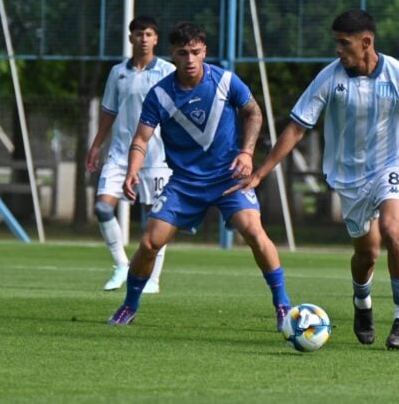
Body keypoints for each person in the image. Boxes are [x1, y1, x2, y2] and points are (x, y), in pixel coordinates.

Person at [226, 9, 399, 349]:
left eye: (344, 43)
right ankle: (362, 303)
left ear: (366, 42)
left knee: (394, 230)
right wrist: (262, 172)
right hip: (349, 177)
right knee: (366, 254)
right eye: (336, 42)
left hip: (393, 165)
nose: (338, 50)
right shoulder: (329, 78)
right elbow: (296, 127)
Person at [108, 22, 291, 329]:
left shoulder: (226, 81)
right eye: (183, 53)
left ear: (204, 51)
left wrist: (246, 153)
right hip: (184, 183)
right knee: (151, 243)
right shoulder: (160, 94)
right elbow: (140, 139)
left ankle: (283, 305)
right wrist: (132, 171)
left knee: (255, 233)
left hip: (228, 178)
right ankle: (129, 305)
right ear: (172, 55)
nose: (190, 59)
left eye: (195, 52)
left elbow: (254, 112)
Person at [86, 15, 175, 293]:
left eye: (149, 34)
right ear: (131, 38)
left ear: (156, 39)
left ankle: (153, 279)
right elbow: (109, 111)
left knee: (156, 218)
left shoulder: (168, 71)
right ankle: (121, 265)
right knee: (102, 207)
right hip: (120, 153)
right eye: (139, 34)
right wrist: (96, 144)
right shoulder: (118, 73)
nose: (144, 39)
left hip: (156, 156)